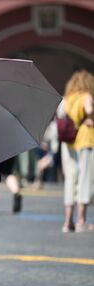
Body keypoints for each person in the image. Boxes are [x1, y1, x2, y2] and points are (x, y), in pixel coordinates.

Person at [61, 70, 94, 233]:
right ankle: (81, 220)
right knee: (85, 179)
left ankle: (67, 221)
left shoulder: (67, 99)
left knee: (70, 180)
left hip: (68, 143)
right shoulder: (86, 96)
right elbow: (89, 110)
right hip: (85, 140)